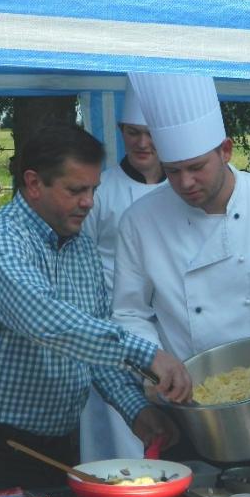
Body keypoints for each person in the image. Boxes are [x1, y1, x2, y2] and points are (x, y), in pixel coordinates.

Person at [0, 125, 191, 490]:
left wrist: (137, 410)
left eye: (93, 190)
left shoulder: (80, 245)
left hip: (52, 444)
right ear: (34, 183)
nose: (89, 202)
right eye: (76, 190)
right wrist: (149, 355)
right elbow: (46, 320)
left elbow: (94, 345)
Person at [112, 73, 250, 462]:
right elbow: (130, 312)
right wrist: (155, 363)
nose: (185, 182)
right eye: (173, 170)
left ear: (226, 150)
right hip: (192, 407)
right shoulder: (140, 220)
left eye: (196, 167)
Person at [79, 80, 166, 462]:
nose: (142, 143)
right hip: (111, 335)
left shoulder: (180, 193)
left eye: (151, 133)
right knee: (117, 446)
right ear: (121, 132)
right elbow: (81, 262)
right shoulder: (100, 191)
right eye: (133, 133)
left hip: (170, 332)